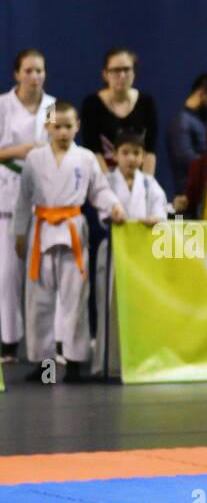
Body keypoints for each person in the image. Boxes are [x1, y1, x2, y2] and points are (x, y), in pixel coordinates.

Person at [13, 101, 125, 382]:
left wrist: (113, 206)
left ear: (77, 126)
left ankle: (74, 364)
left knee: (75, 299)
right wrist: (20, 232)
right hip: (42, 233)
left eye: (68, 126)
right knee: (40, 303)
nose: (62, 131)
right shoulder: (35, 159)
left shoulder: (86, 158)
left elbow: (99, 191)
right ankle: (46, 368)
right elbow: (24, 199)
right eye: (56, 126)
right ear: (47, 126)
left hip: (73, 230)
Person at [0, 49, 56, 363]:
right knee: (7, 276)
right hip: (7, 198)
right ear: (16, 74)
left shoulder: (53, 106)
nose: (35, 76)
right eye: (29, 71)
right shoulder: (2, 105)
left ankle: (47, 346)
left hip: (46, 202)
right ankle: (8, 341)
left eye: (40, 71)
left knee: (44, 276)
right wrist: (23, 150)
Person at [96, 128, 166, 378]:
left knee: (141, 306)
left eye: (137, 153)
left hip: (141, 253)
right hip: (114, 251)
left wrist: (155, 218)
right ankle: (108, 364)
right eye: (125, 153)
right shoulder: (107, 181)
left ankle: (141, 360)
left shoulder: (149, 183)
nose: (131, 159)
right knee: (110, 305)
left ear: (144, 156)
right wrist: (112, 214)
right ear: (114, 154)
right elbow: (102, 209)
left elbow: (161, 210)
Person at [79, 48, 159, 175]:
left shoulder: (50, 104)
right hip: (42, 161)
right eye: (116, 70)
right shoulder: (52, 107)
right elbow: (50, 134)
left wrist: (145, 185)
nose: (122, 75)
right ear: (105, 74)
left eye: (127, 69)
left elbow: (150, 150)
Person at [166, 72, 207, 190]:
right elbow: (186, 159)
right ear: (201, 94)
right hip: (190, 196)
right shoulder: (181, 122)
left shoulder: (202, 121)